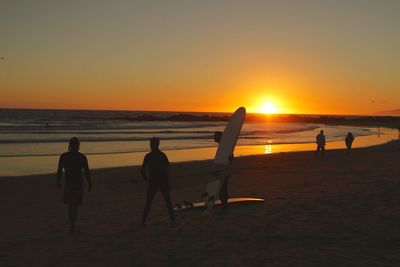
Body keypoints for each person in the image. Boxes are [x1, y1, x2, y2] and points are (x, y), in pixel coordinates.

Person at [57, 137, 92, 234]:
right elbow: (86, 172)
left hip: (68, 184)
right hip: (78, 185)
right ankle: (73, 225)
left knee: (70, 206)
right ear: (78, 146)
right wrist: (90, 184)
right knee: (75, 206)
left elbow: (59, 170)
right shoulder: (82, 157)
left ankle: (72, 226)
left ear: (69, 145)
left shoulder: (64, 156)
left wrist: (58, 182)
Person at [141, 137, 175, 225]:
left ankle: (143, 221)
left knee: (149, 201)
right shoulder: (163, 155)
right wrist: (169, 181)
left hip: (153, 180)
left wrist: (147, 180)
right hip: (163, 179)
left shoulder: (148, 156)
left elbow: (142, 171)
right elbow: (167, 169)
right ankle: (173, 219)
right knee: (167, 201)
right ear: (158, 144)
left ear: (151, 145)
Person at [213, 131, 233, 210]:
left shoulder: (224, 146)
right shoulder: (222, 145)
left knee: (222, 188)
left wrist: (226, 168)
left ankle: (224, 206)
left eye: (215, 136)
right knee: (222, 188)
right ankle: (224, 205)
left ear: (220, 137)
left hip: (224, 170)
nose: (213, 138)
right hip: (221, 169)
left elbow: (231, 157)